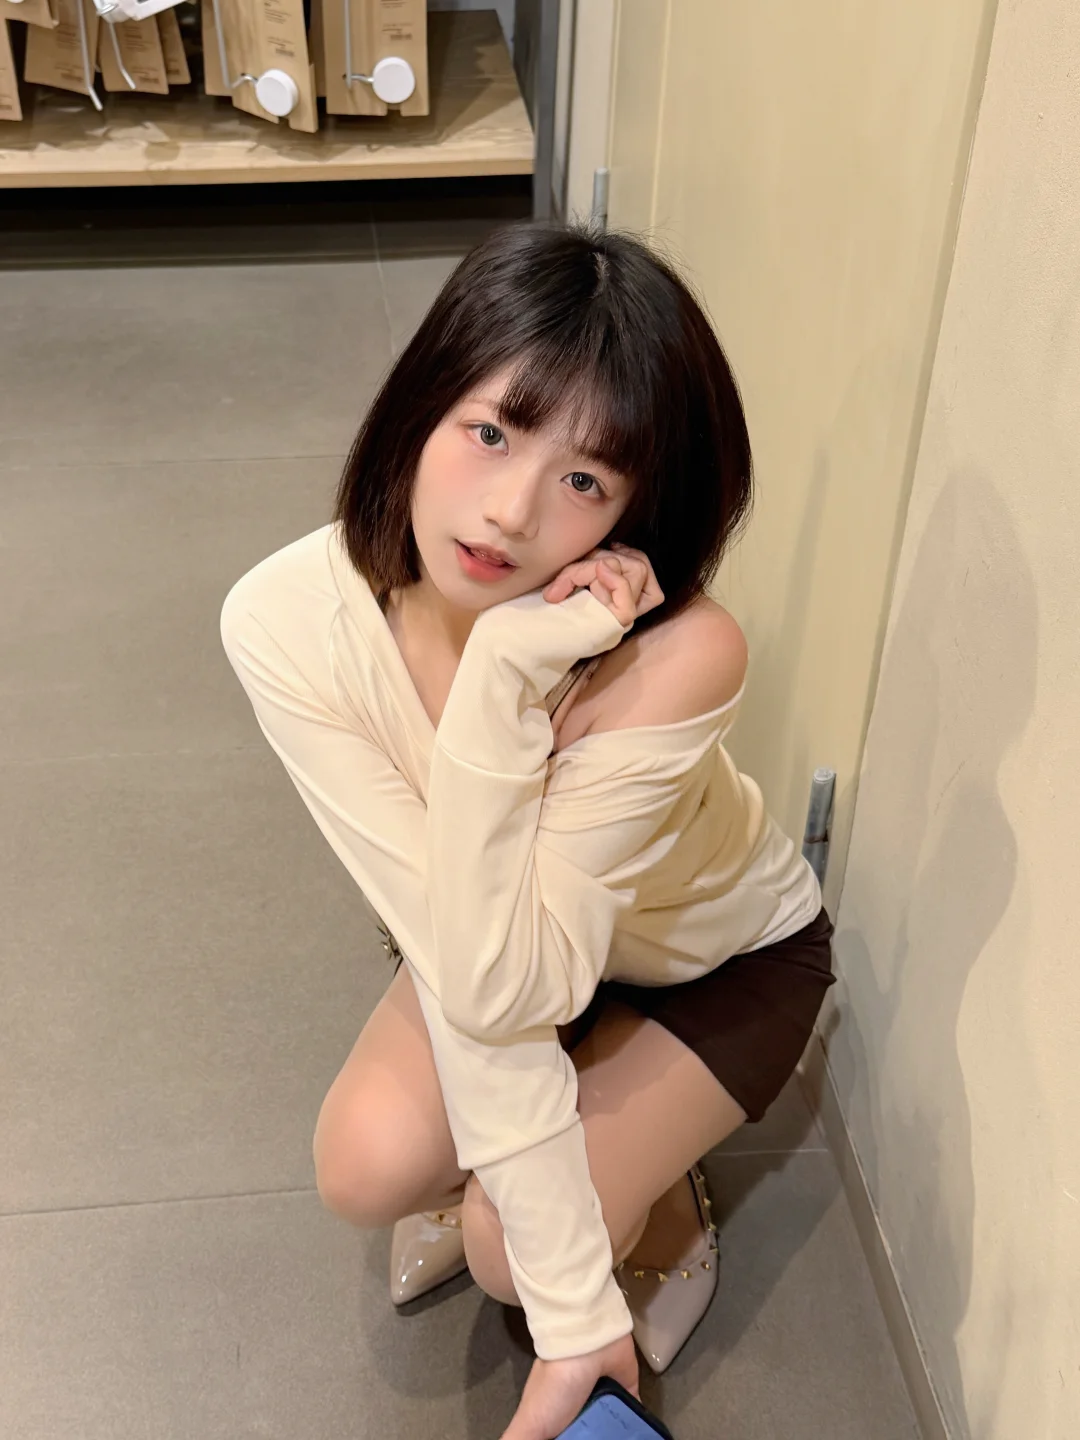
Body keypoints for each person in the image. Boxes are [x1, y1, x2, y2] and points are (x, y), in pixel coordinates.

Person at [220, 220, 835, 1440]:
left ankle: (663, 1199)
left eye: (585, 482)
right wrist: (503, 675)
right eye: (492, 432)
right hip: (506, 942)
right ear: (421, 404)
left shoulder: (682, 652)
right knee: (363, 1164)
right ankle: (591, 1145)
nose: (507, 513)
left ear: (639, 510)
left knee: (512, 1251)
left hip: (711, 961)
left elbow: (522, 983)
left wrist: (567, 1308)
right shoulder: (287, 620)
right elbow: (478, 969)